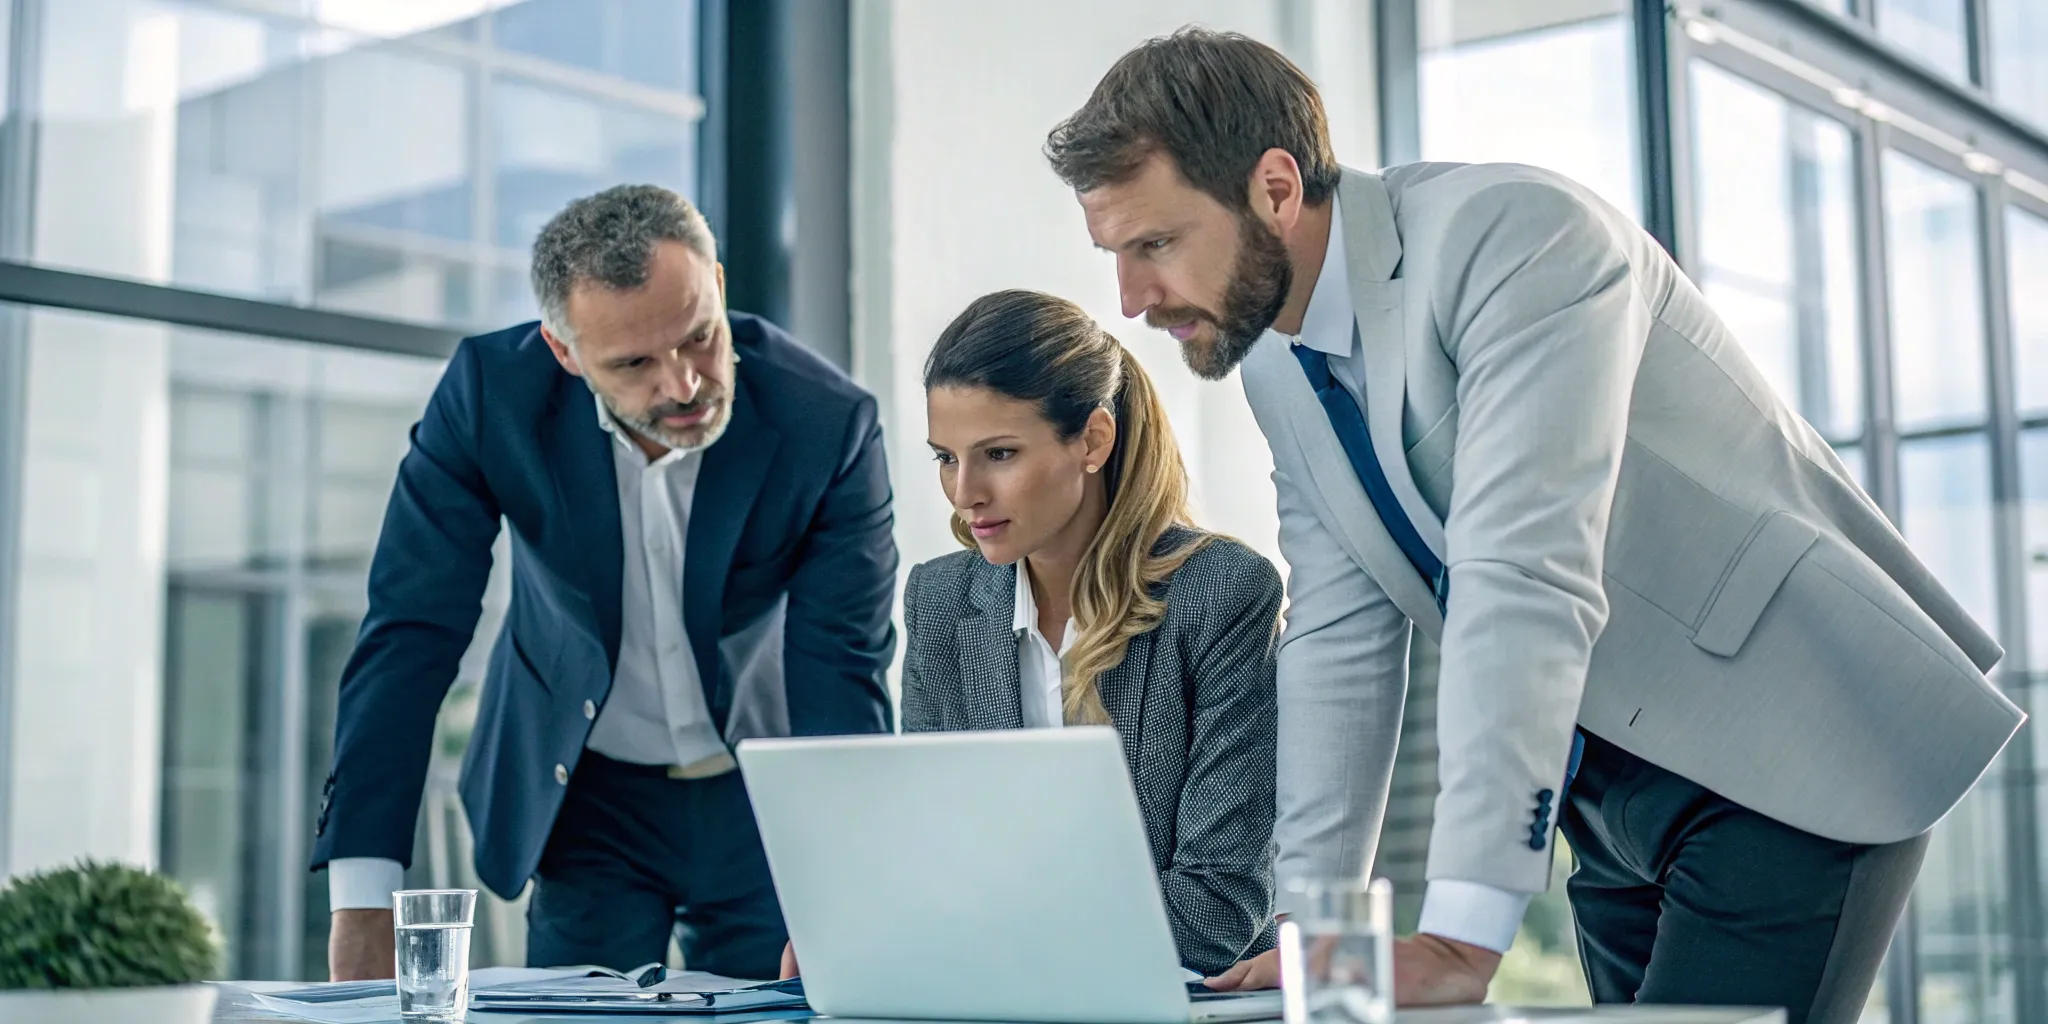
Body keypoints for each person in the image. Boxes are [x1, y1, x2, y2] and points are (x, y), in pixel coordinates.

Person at [1043, 28, 2026, 1023]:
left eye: (1153, 244)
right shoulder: (1272, 357)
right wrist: (1315, 938)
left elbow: (1523, 572)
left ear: (1274, 187)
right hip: (1605, 794)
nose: (1129, 300)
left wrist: (1460, 940)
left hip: (1793, 743)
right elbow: (1340, 636)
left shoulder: (1515, 237)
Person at [312, 184, 898, 982]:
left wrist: (849, 888)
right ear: (564, 352)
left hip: (764, 793)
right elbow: (411, 630)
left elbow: (841, 669)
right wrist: (364, 903)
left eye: (699, 337)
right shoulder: (493, 399)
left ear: (719, 289)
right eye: (633, 363)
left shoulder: (825, 423)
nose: (684, 385)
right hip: (589, 798)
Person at [779, 289, 1283, 981]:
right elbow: (936, 856)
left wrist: (966, 945)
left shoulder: (1221, 594)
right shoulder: (941, 600)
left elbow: (1216, 907)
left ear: (1093, 441)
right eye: (946, 458)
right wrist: (869, 926)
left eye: (1000, 453)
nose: (965, 493)